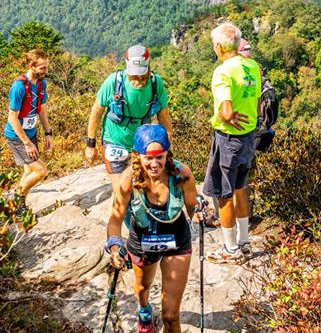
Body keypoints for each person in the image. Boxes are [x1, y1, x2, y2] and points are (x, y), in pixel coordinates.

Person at [105, 124, 208, 333]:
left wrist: (200, 211)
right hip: (142, 242)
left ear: (167, 154)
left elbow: (192, 206)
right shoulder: (128, 180)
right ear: (137, 155)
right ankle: (144, 311)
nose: (154, 164)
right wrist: (115, 246)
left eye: (159, 157)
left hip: (176, 240)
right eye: (148, 158)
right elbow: (115, 220)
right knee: (142, 288)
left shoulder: (182, 174)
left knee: (170, 316)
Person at [204, 22, 262, 264]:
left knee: (223, 194)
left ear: (218, 47)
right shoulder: (252, 66)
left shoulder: (224, 72)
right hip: (249, 136)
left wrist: (227, 117)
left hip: (228, 139)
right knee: (240, 188)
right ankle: (244, 242)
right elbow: (258, 105)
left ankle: (230, 249)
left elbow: (226, 111)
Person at [85, 45, 172, 196]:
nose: (137, 77)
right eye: (133, 74)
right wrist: (90, 145)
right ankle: (125, 218)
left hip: (143, 143)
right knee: (122, 191)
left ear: (148, 64)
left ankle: (140, 218)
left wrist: (168, 144)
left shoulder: (155, 83)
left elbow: (163, 115)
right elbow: (96, 111)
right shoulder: (114, 82)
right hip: (114, 141)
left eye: (141, 73)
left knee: (144, 188)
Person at [4, 49, 52, 214]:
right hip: (17, 137)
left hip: (31, 133)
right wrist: (27, 143)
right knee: (41, 171)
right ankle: (15, 198)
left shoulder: (40, 84)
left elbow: (42, 109)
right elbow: (12, 118)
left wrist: (48, 133)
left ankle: (19, 206)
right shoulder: (18, 87)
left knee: (29, 170)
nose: (46, 71)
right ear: (32, 66)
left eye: (46, 67)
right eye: (42, 68)